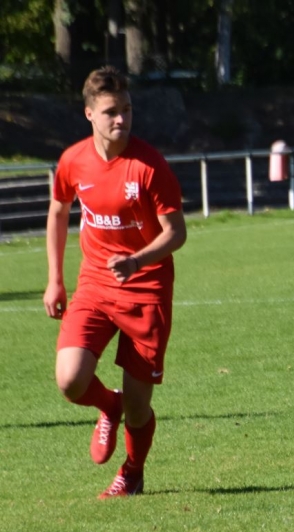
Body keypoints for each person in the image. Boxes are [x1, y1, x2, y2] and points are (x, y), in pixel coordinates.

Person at [43, 66, 187, 499]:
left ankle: (132, 473)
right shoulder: (73, 160)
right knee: (70, 380)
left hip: (146, 289)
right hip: (95, 284)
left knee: (140, 408)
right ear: (89, 113)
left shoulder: (149, 165)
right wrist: (55, 280)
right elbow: (58, 211)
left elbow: (176, 233)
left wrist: (137, 260)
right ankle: (109, 404)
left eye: (126, 109)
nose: (121, 118)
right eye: (110, 111)